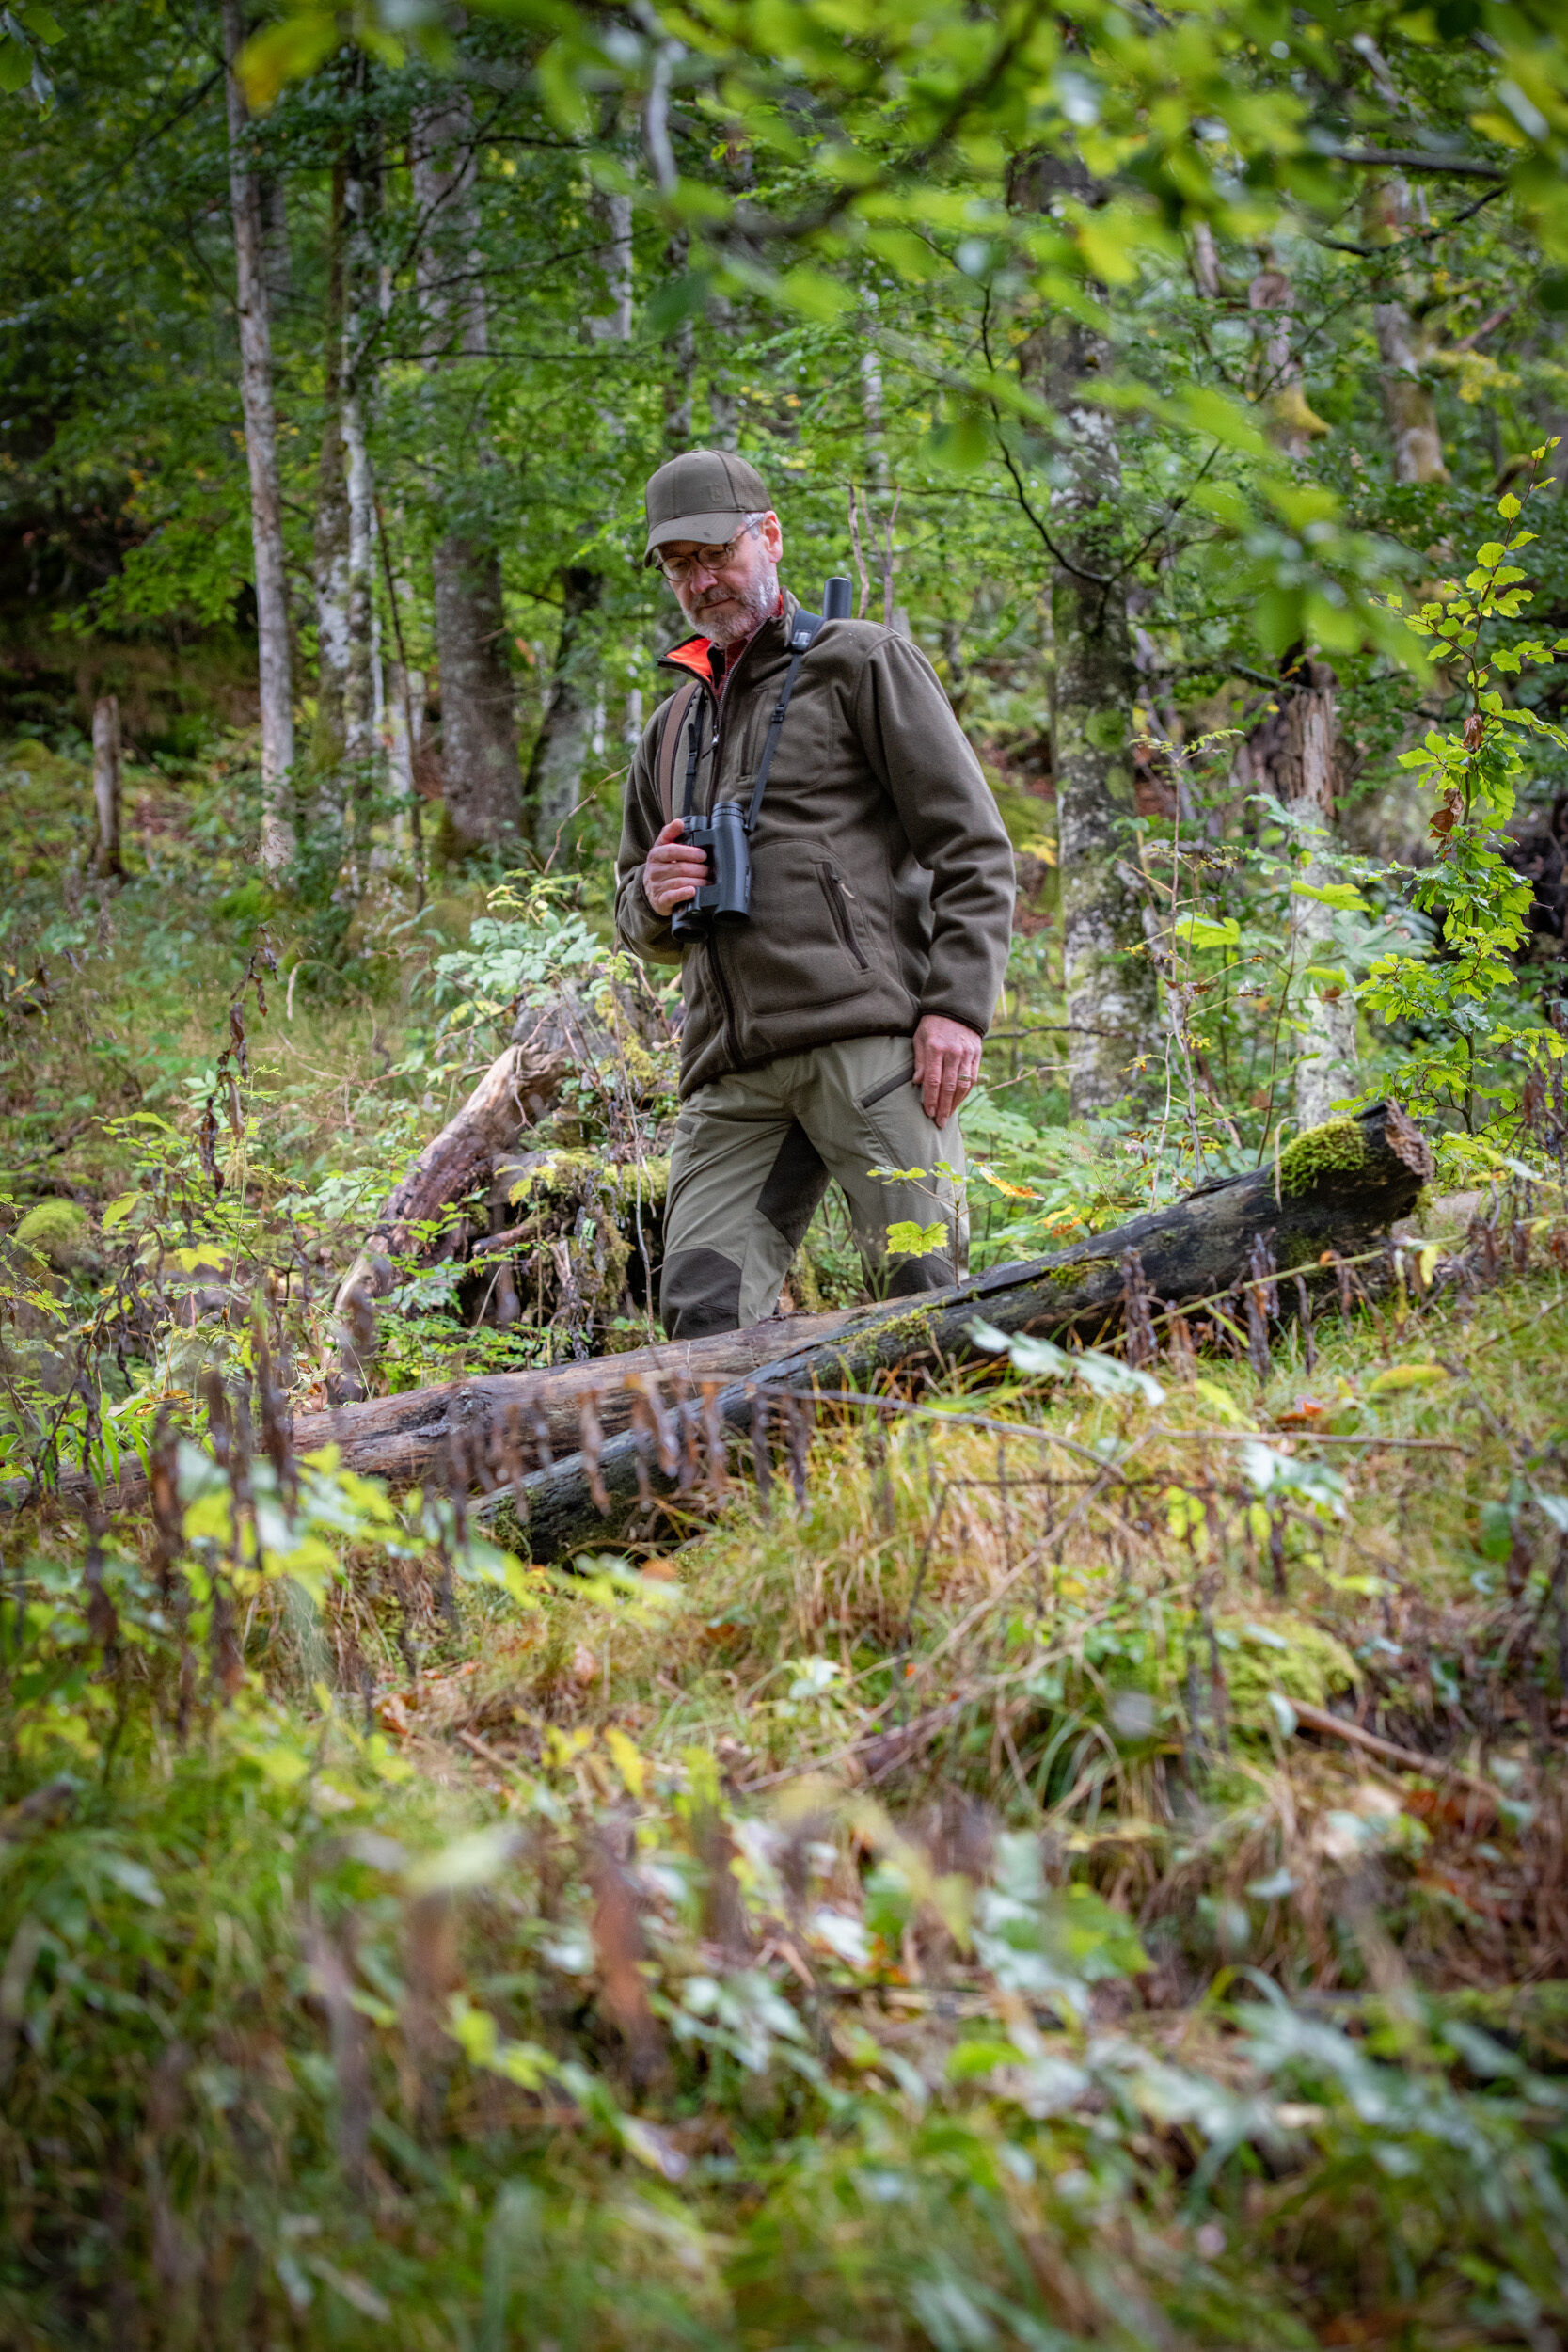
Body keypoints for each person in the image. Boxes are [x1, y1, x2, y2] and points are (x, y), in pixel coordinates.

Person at [615, 448, 1016, 1339]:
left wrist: (956, 1008)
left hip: (867, 1048)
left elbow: (973, 848)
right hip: (730, 1070)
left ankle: (949, 1468)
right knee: (699, 1314)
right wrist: (651, 893)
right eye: (680, 565)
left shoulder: (861, 661)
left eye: (716, 553)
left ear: (770, 536)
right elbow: (632, 912)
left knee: (928, 1293)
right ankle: (746, 1482)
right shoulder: (671, 725)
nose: (702, 579)